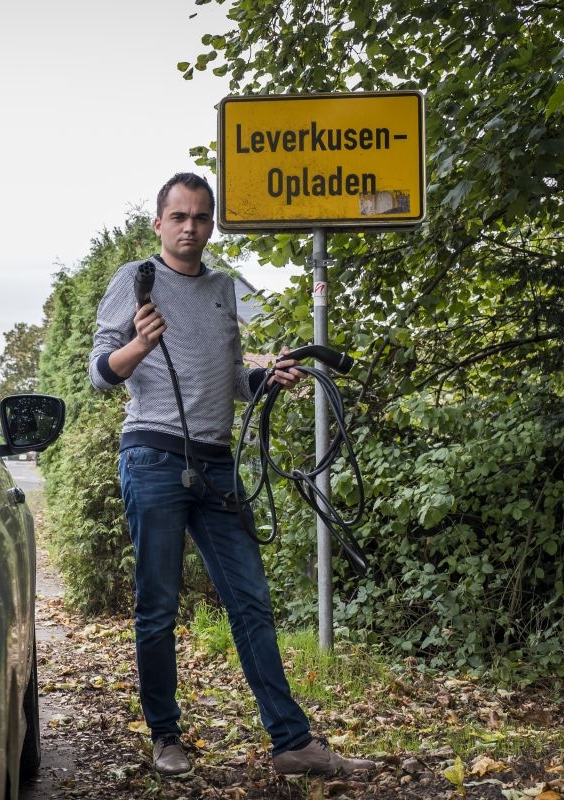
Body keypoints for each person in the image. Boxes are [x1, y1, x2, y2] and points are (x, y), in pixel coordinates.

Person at [88, 172, 377, 779]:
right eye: (179, 217)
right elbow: (100, 373)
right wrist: (139, 345)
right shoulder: (135, 280)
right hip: (153, 457)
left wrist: (265, 379)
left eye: (201, 217)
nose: (190, 227)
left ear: (211, 224)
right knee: (157, 608)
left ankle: (292, 743)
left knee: (251, 602)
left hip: (216, 464)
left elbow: (229, 379)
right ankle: (166, 736)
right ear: (159, 223)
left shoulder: (221, 288)